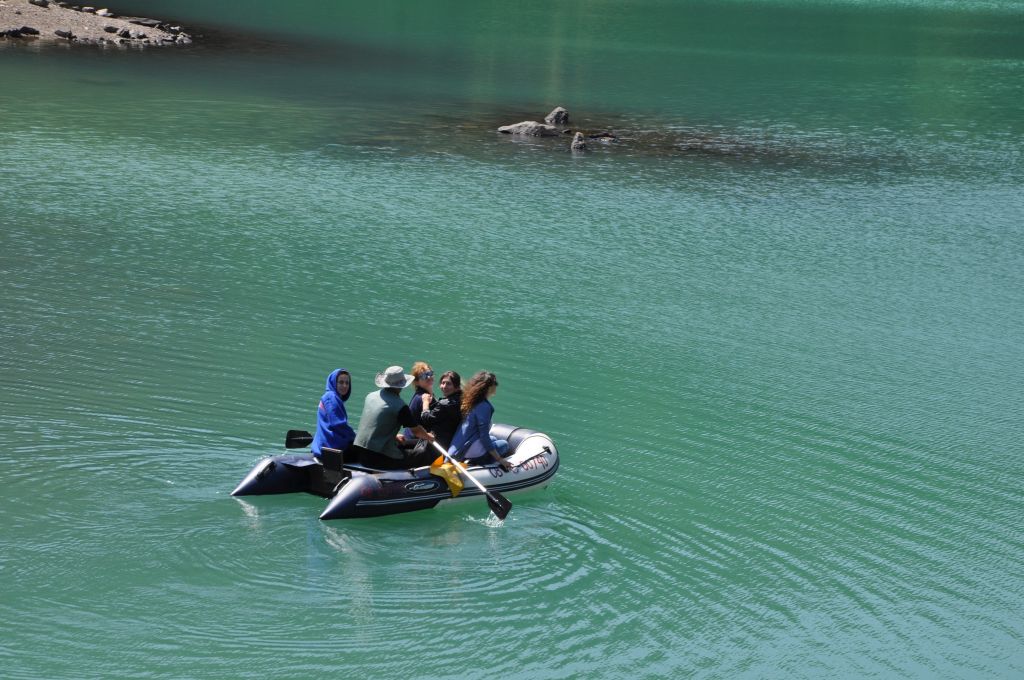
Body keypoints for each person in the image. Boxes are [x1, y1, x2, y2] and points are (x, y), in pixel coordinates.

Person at [353, 365, 435, 470]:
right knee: (423, 453)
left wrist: (394, 436)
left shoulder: (370, 396)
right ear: (401, 385)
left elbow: (375, 424)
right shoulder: (400, 406)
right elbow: (417, 431)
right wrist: (429, 437)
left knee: (406, 443)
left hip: (360, 454)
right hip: (378, 459)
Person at [448, 371, 511, 470]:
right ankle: (474, 462)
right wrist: (500, 459)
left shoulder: (470, 401)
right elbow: (484, 436)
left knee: (493, 439)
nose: (496, 386)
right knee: (504, 445)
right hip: (470, 453)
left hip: (458, 450)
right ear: (489, 387)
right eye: (495, 384)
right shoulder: (485, 407)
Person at [311, 368, 355, 457]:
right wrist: (356, 437)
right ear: (334, 383)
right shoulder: (331, 398)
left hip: (323, 446)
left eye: (347, 383)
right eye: (341, 382)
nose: (345, 386)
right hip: (331, 448)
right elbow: (339, 425)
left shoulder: (330, 397)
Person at [419, 370, 463, 450]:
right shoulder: (462, 399)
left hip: (437, 445)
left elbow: (426, 419)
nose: (444, 386)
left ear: (456, 387)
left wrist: (425, 402)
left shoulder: (444, 404)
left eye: (448, 384)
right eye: (443, 383)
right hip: (450, 440)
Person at [400, 361, 435, 443]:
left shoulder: (425, 395)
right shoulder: (422, 398)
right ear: (416, 382)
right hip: (414, 442)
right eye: (424, 376)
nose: (429, 377)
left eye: (430, 373)